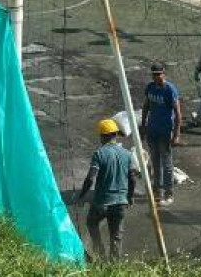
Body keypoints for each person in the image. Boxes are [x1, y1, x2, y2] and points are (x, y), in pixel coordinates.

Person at [77, 118, 137, 260]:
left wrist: (82, 195)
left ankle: (100, 252)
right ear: (115, 135)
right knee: (116, 237)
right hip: (120, 204)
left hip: (102, 203)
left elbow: (91, 178)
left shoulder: (99, 154)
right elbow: (133, 178)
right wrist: (130, 196)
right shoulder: (127, 154)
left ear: (103, 136)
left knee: (91, 222)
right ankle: (113, 267)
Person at [141, 61, 181, 206]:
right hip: (152, 131)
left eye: (159, 74)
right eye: (154, 75)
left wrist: (176, 135)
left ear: (164, 74)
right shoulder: (150, 88)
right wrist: (143, 125)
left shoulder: (170, 90)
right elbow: (146, 106)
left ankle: (169, 193)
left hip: (165, 132)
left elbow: (178, 114)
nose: (156, 77)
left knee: (167, 164)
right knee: (155, 162)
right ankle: (158, 191)